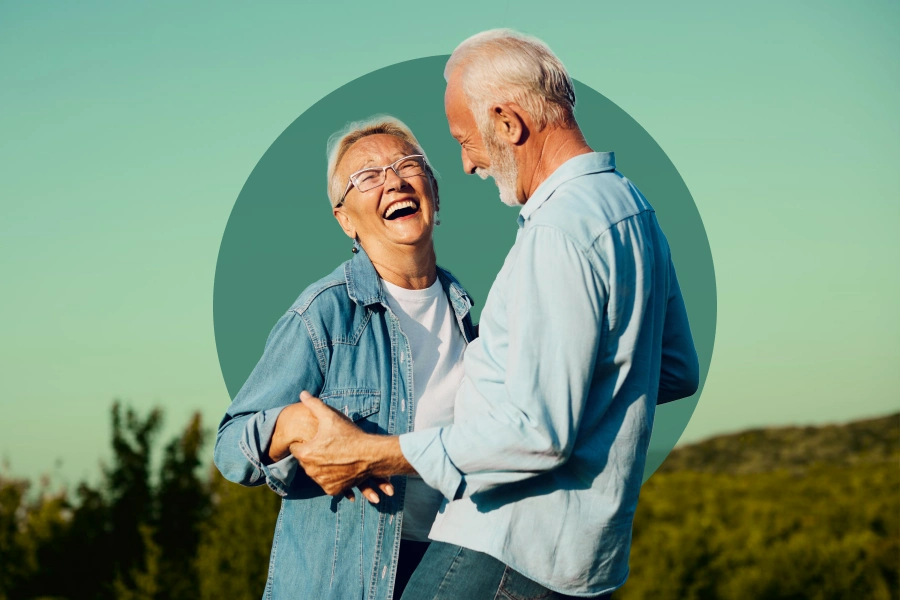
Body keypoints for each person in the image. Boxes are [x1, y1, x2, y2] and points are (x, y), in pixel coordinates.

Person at [293, 29, 701, 599]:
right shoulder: (632, 208)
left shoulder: (557, 234)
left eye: (466, 140)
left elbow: (538, 434)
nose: (466, 164)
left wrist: (372, 453)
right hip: (588, 562)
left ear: (508, 123)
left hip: (503, 551)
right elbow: (676, 369)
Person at [213, 116, 477, 599]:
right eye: (367, 176)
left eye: (407, 165)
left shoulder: (471, 317)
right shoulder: (325, 314)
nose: (394, 180)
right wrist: (292, 423)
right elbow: (231, 448)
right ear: (345, 219)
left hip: (447, 567)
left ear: (434, 195)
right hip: (347, 582)